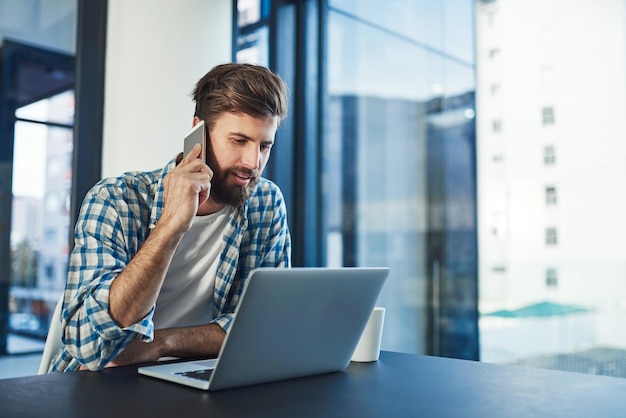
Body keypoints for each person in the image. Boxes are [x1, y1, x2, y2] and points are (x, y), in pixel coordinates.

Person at [49, 63, 291, 372]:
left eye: (264, 145)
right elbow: (90, 345)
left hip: (202, 373)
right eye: (239, 141)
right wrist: (170, 226)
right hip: (104, 381)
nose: (253, 162)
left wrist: (162, 343)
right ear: (198, 132)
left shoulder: (265, 203)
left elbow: (264, 327)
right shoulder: (115, 199)